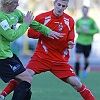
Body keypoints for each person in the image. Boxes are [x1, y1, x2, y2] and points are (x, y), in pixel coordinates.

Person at [0, 0, 96, 100]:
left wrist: (70, 43)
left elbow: (70, 38)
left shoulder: (70, 20)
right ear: (54, 3)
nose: (60, 8)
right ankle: (3, 95)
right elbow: (30, 34)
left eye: (63, 6)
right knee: (24, 76)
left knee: (76, 83)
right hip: (41, 57)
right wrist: (45, 32)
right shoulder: (42, 17)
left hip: (59, 60)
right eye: (59, 4)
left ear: (66, 7)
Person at [0, 0, 64, 100]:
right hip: (2, 57)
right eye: (15, 2)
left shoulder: (16, 13)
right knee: (27, 79)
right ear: (7, 3)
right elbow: (11, 36)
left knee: (25, 86)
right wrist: (25, 24)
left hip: (7, 54)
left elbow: (33, 23)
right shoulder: (1, 17)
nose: (18, 4)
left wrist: (47, 31)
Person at [74, 5, 99, 79]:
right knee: (77, 58)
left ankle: (85, 69)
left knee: (86, 59)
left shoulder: (91, 21)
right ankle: (77, 75)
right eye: (83, 10)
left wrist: (88, 31)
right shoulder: (78, 21)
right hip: (79, 41)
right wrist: (77, 31)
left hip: (88, 43)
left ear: (87, 11)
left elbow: (97, 30)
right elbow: (77, 29)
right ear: (82, 11)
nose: (84, 12)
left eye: (86, 10)